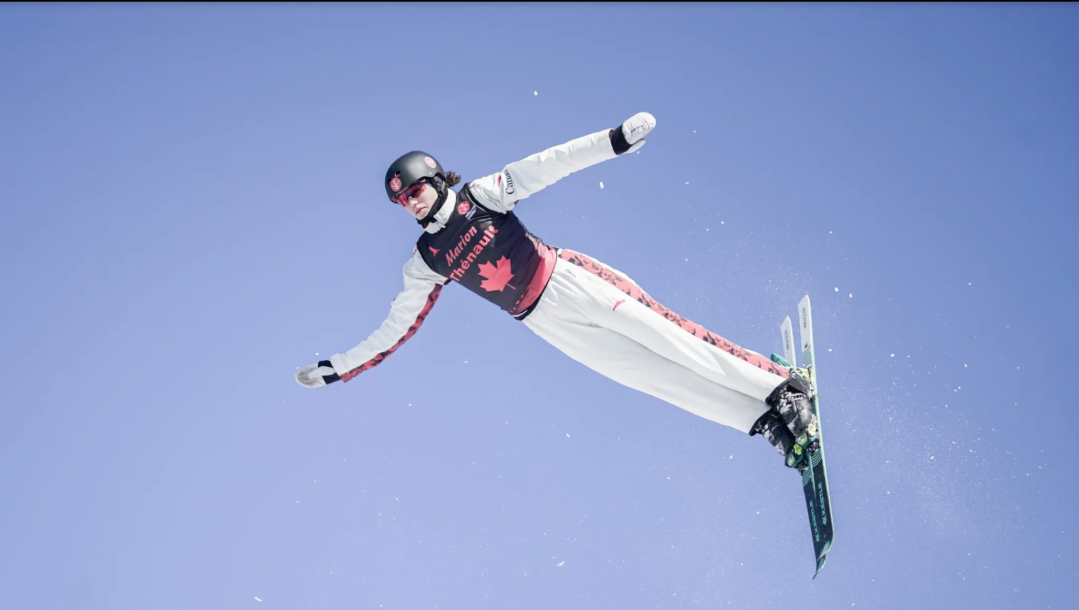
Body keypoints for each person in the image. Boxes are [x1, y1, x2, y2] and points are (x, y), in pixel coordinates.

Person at [295, 112, 818, 471]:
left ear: (434, 180)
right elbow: (395, 329)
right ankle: (763, 419)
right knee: (653, 378)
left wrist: (613, 141)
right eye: (401, 201)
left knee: (667, 338)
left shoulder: (480, 196)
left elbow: (546, 165)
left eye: (413, 191)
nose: (410, 203)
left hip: (570, 280)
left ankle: (779, 385)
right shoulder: (425, 262)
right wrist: (340, 367)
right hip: (544, 323)